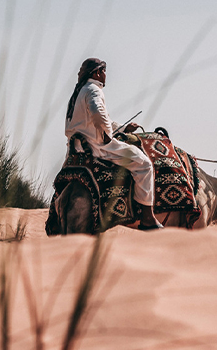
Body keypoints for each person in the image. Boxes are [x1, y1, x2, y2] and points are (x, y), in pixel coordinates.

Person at [64, 57, 163, 230]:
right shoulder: (94, 90)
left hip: (75, 149)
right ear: (96, 73)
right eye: (103, 71)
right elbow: (98, 114)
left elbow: (100, 120)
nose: (105, 75)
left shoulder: (79, 93)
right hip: (97, 146)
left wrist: (124, 128)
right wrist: (108, 136)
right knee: (144, 164)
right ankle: (148, 216)